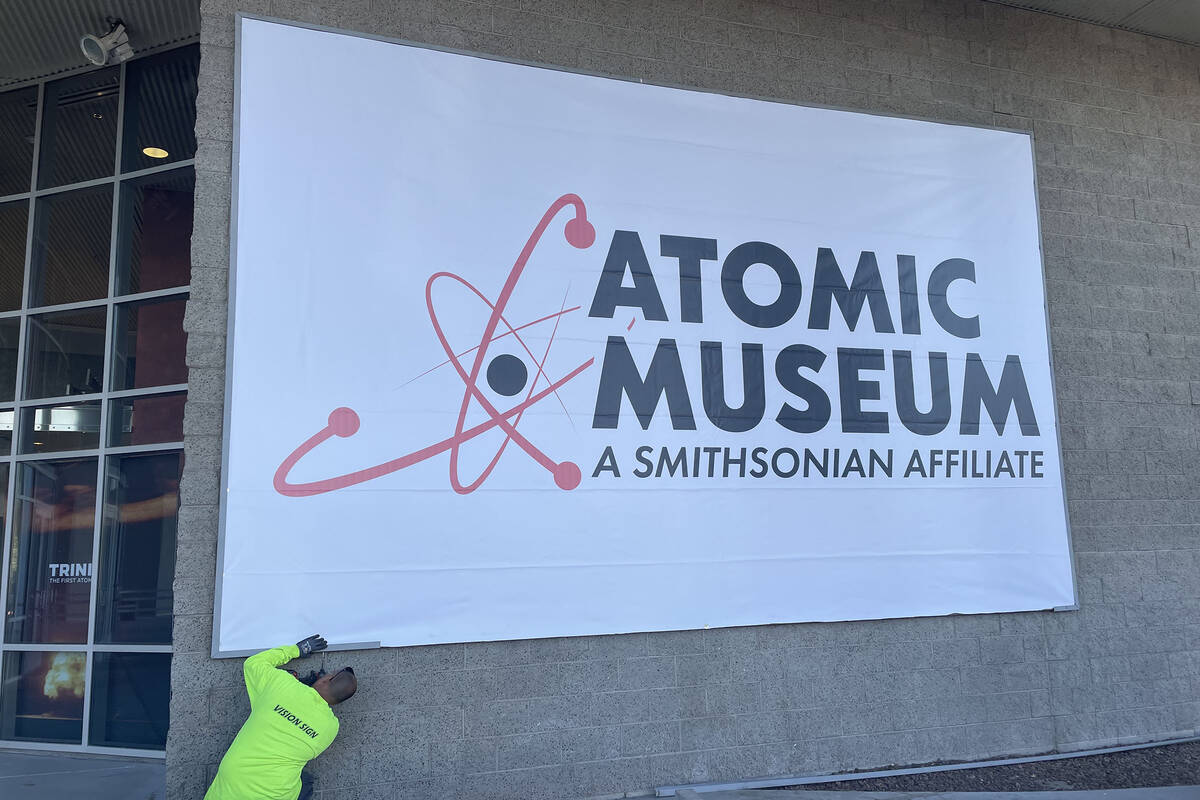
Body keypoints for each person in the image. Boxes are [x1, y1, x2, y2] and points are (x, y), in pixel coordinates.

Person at [204, 634, 358, 800]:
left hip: (235, 778)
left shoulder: (281, 683)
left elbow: (253, 664)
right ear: (337, 703)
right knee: (306, 781)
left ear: (324, 680)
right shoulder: (331, 727)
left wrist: (298, 650)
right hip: (277, 793)